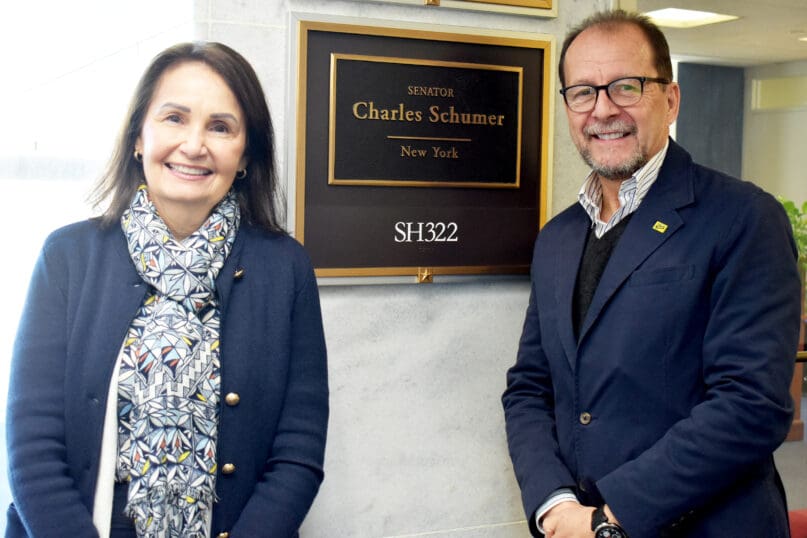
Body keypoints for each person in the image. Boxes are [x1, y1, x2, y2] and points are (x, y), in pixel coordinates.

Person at [6, 42, 328, 538]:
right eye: (175, 118)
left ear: (246, 155)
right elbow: (31, 444)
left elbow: (299, 448)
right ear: (139, 136)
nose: (195, 145)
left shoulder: (285, 268)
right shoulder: (67, 256)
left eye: (220, 127)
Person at [502, 10, 801, 538]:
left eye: (626, 86)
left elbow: (751, 403)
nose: (603, 110)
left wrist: (608, 518)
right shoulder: (557, 237)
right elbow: (530, 386)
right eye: (583, 93)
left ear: (671, 99)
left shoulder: (743, 218)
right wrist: (554, 505)